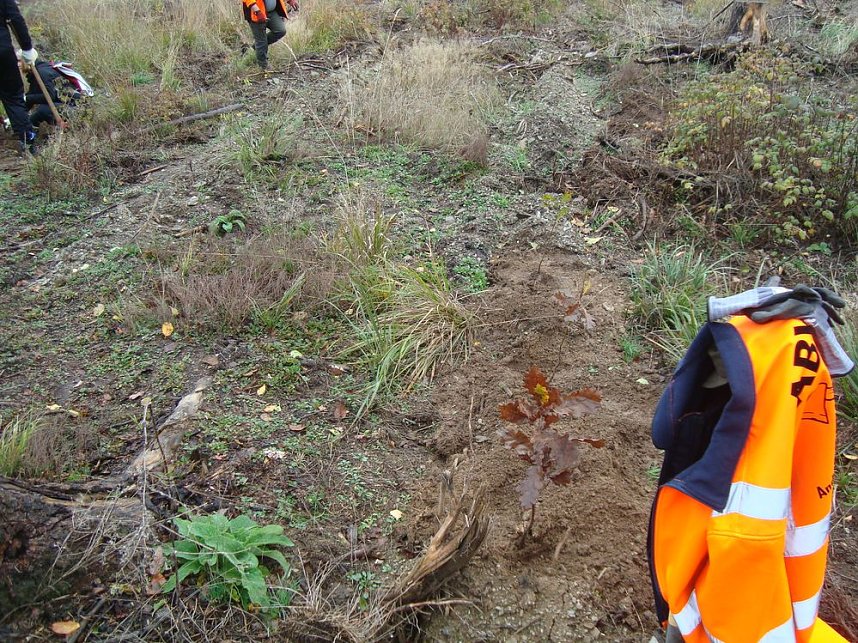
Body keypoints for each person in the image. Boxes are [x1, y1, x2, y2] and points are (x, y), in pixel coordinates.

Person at [648, 285, 853, 643]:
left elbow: (666, 430)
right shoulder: (806, 376)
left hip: (738, 607)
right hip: (791, 609)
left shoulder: (742, 527)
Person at [1, 0, 38, 154]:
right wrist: (27, 48)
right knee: (13, 97)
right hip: (2, 53)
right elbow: (15, 19)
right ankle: (27, 140)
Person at [25, 59, 80, 131]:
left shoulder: (41, 73)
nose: (17, 65)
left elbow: (50, 96)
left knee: (43, 111)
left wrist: (26, 98)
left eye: (19, 61)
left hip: (77, 108)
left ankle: (29, 135)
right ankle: (28, 132)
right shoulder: (43, 68)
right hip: (69, 104)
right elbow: (31, 96)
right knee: (36, 115)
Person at [241, 0, 298, 70]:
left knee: (280, 31)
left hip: (271, 12)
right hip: (256, 14)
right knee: (261, 41)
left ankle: (251, 49)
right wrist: (257, 12)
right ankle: (263, 66)